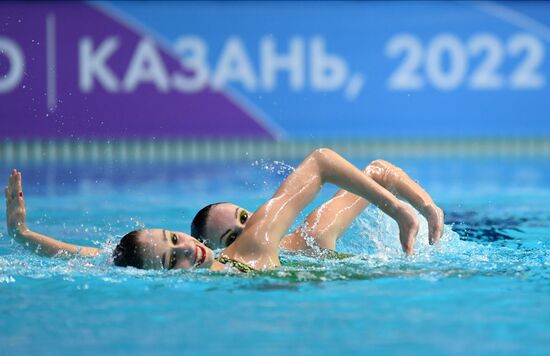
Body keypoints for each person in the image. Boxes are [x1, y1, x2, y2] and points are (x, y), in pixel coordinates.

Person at [5, 148, 442, 272]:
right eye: (170, 258)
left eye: (175, 240)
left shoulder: (263, 244)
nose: (184, 251)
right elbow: (96, 257)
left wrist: (411, 210)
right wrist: (24, 236)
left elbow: (327, 161)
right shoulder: (237, 263)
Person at [191, 160, 443, 254]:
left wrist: (428, 207)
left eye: (244, 217)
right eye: (233, 237)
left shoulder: (312, 236)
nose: (248, 231)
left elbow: (378, 171)